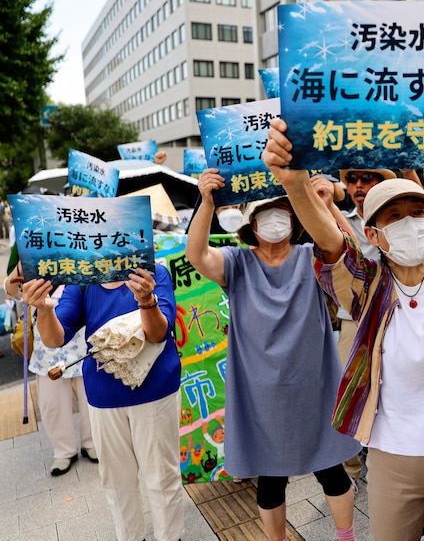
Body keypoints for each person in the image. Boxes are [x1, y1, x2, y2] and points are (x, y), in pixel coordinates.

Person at [262, 101, 424, 541]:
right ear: (373, 234)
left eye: (418, 213)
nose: (410, 223)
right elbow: (330, 242)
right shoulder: (366, 286)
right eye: (394, 217)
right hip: (392, 455)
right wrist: (294, 185)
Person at [185, 170, 362, 541]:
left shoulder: (310, 256)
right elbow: (196, 254)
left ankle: (346, 536)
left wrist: (325, 204)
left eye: (284, 207)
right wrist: (206, 203)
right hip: (259, 393)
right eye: (267, 209)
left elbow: (351, 253)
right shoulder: (236, 263)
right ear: (251, 221)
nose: (276, 216)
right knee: (270, 478)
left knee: (331, 468)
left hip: (314, 385)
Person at [23, 264, 184, 541]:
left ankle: (171, 536)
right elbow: (54, 338)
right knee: (116, 481)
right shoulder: (84, 282)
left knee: (161, 477)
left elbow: (159, 332)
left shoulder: (153, 273)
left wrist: (147, 301)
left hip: (156, 391)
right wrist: (45, 309)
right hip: (103, 396)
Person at [5, 268, 97, 476]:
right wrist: (21, 267)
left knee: (90, 397)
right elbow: (11, 289)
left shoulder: (82, 244)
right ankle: (64, 451)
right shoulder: (32, 249)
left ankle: (92, 443)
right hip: (47, 347)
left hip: (85, 341)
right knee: (52, 404)